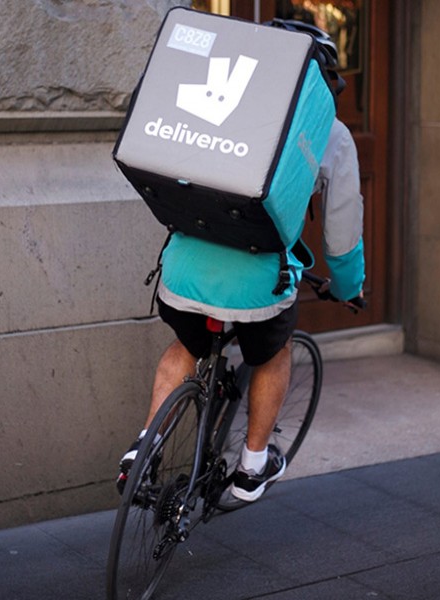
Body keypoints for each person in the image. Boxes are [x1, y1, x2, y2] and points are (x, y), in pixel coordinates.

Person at [117, 22, 365, 505]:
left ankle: (142, 451)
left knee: (185, 346)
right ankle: (252, 467)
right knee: (272, 351)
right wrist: (347, 285)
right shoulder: (330, 132)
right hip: (259, 281)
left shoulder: (230, 103)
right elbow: (340, 232)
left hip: (187, 263)